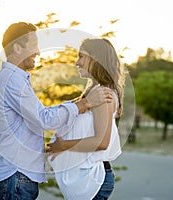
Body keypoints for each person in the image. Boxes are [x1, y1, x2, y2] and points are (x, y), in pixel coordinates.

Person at [0, 22, 113, 200]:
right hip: (15, 175)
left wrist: (80, 102)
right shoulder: (12, 80)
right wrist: (84, 104)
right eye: (34, 46)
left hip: (17, 175)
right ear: (16, 47)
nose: (38, 52)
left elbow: (39, 113)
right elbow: (44, 118)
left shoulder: (15, 78)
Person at [47, 38, 126, 200]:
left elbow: (101, 142)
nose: (77, 63)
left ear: (96, 59)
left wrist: (62, 145)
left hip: (92, 181)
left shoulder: (104, 94)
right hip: (85, 180)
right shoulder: (94, 92)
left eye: (81, 57)